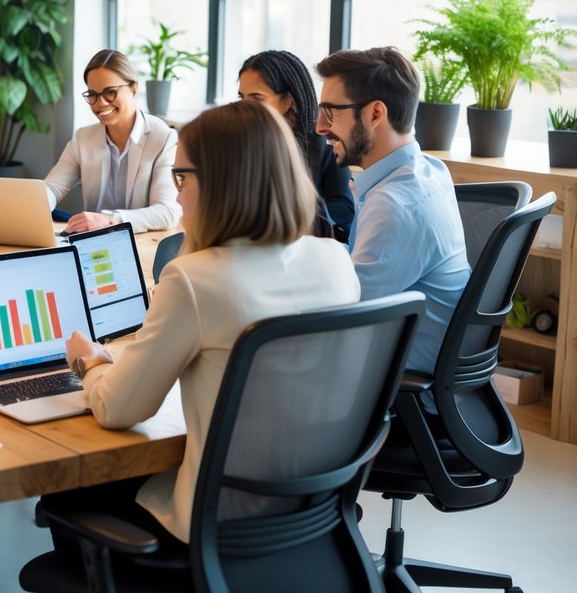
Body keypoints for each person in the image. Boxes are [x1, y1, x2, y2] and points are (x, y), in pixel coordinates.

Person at [55, 100, 359, 547]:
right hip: (314, 513)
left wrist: (92, 363)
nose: (176, 195)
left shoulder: (193, 279)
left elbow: (121, 410)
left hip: (217, 523)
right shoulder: (335, 259)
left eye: (182, 177)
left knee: (66, 491)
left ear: (222, 181)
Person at [315, 46, 469, 374]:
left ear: (375, 114)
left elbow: (340, 318)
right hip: (412, 362)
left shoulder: (394, 205)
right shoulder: (428, 169)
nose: (321, 127)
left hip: (391, 385)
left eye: (331, 112)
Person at [42, 49, 180, 233]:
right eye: (92, 94)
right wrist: (38, 204)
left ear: (134, 88)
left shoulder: (163, 138)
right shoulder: (83, 139)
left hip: (144, 245)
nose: (101, 103)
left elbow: (167, 212)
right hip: (95, 246)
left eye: (110, 92)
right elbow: (52, 188)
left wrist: (111, 220)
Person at [238, 49, 355, 241]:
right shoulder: (236, 141)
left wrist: (286, 216)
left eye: (256, 99)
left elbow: (344, 208)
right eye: (242, 97)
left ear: (288, 101)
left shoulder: (326, 142)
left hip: (306, 248)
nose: (243, 108)